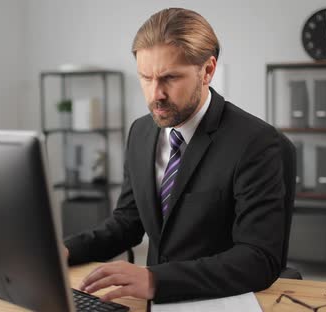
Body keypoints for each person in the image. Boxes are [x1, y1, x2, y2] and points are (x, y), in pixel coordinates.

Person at [64, 7, 284, 304]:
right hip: (154, 302)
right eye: (145, 78)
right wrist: (66, 250)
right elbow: (127, 223)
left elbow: (259, 258)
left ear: (207, 70)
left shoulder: (256, 142)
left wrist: (156, 279)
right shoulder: (140, 132)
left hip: (221, 301)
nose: (156, 94)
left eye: (170, 78)